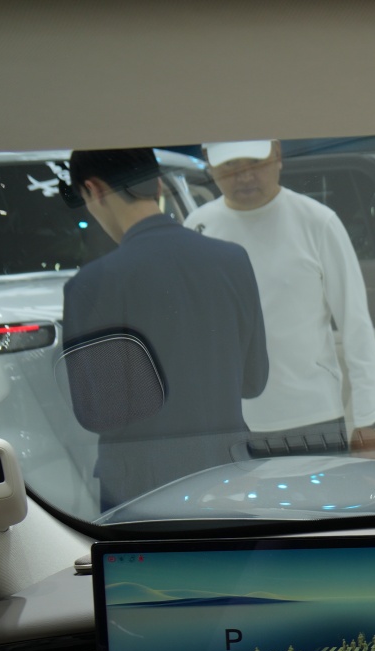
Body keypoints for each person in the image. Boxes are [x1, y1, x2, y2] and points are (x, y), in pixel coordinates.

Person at [60, 148, 268, 509]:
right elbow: (254, 381)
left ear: (93, 190)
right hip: (229, 479)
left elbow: (100, 414)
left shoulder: (91, 284)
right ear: (157, 184)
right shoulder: (233, 260)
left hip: (141, 492)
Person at [185, 140, 375, 460]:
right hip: (230, 421)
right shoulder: (197, 228)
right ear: (209, 162)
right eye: (231, 166)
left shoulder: (318, 222)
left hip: (312, 416)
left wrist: (367, 421)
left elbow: (355, 323)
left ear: (277, 154)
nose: (244, 176)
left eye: (254, 162)